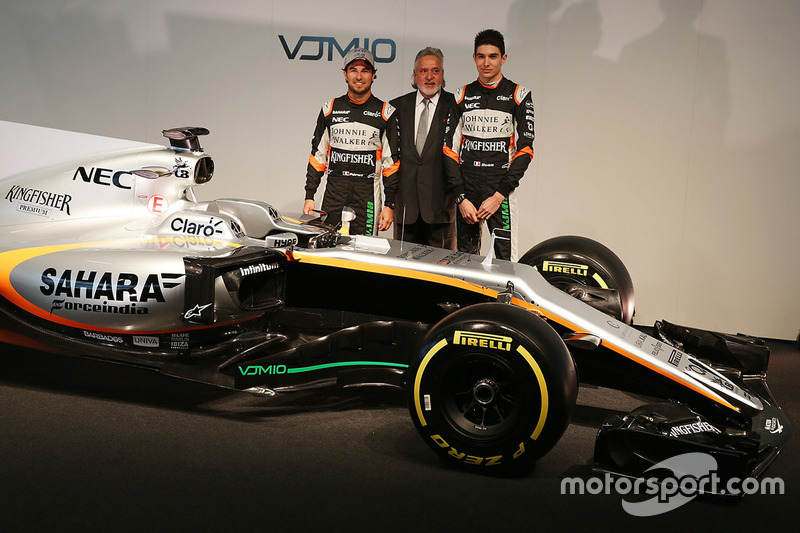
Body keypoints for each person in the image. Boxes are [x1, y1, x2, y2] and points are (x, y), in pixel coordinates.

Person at [443, 29, 535, 261]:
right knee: (464, 260)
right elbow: (448, 150)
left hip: (500, 189)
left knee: (505, 262)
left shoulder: (519, 95)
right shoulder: (461, 95)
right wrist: (460, 198)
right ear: (474, 58)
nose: (486, 63)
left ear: (503, 58)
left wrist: (499, 195)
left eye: (493, 56)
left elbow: (526, 149)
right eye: (481, 56)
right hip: (467, 189)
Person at [303, 48, 400, 235]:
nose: (359, 76)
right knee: (326, 248)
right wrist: (309, 195)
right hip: (334, 191)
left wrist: (389, 205)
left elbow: (391, 164)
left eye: (365, 70)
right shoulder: (329, 109)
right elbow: (318, 156)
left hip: (368, 194)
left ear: (373, 75)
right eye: (353, 70)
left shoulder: (386, 112)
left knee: (365, 252)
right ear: (345, 74)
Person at [389, 47, 457, 249]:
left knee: (441, 275)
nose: (429, 77)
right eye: (423, 71)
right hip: (405, 210)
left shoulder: (455, 106)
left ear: (442, 74)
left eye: (435, 71)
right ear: (415, 74)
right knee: (403, 275)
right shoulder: (396, 107)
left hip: (441, 210)